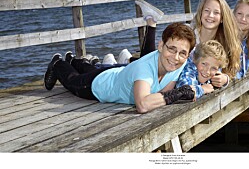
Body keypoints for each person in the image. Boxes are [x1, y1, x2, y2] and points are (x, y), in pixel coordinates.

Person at [43, 22, 196, 114]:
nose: (176, 57)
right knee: (73, 80)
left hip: (116, 73)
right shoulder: (145, 67)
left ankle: (74, 60)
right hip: (98, 86)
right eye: (172, 49)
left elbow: (162, 94)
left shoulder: (177, 65)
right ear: (161, 45)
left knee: (88, 69)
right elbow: (143, 105)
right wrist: (179, 93)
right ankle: (58, 63)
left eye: (182, 53)